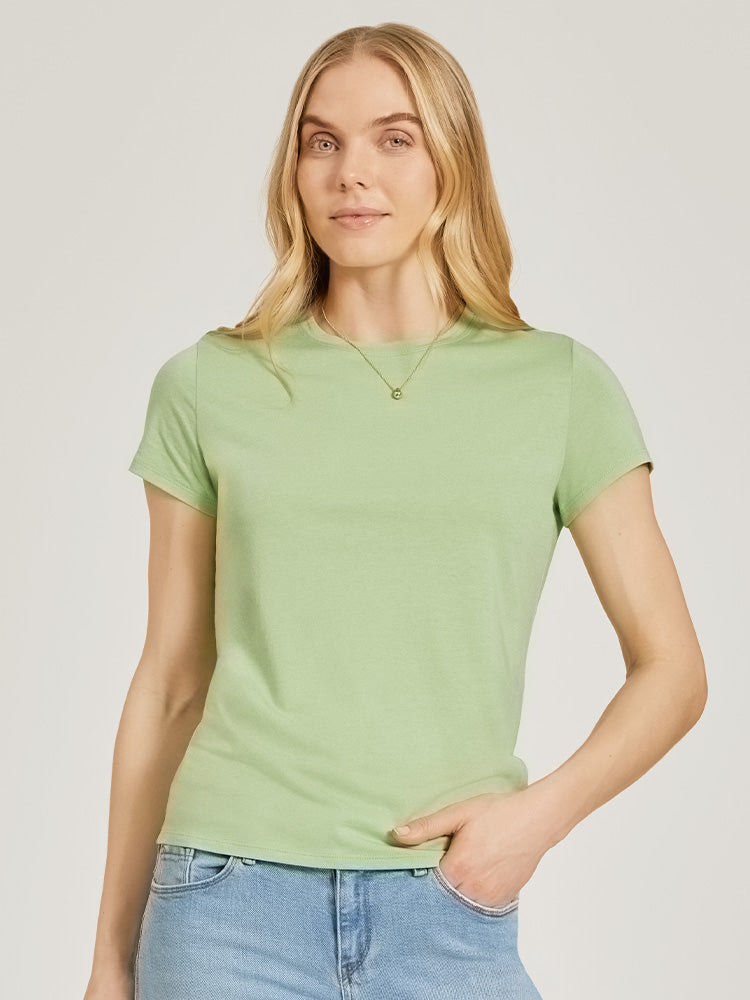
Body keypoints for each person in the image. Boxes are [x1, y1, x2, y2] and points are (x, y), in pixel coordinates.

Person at [83, 22, 707, 1000]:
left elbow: (673, 671)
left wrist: (532, 822)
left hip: (448, 909)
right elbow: (168, 683)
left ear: (451, 161)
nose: (351, 173)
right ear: (293, 171)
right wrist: (109, 962)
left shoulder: (559, 387)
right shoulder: (209, 385)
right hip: (226, 904)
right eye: (322, 141)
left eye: (394, 138)